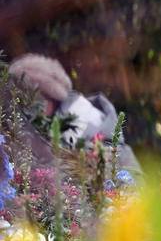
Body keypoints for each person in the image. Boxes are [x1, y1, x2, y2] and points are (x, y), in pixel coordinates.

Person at [9, 54, 142, 176]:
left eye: (33, 100)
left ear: (51, 95)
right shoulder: (45, 128)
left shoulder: (88, 125)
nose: (28, 111)